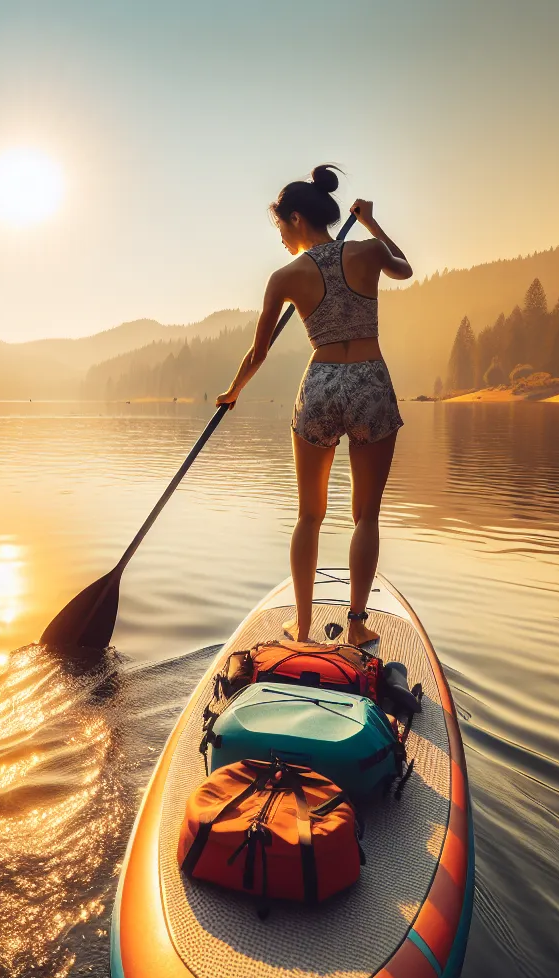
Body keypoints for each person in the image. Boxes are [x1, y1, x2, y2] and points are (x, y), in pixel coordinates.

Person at [216, 165, 413, 645]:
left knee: (310, 515)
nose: (281, 237)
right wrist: (370, 223)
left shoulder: (285, 275)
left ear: (297, 219)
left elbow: (258, 353)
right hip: (369, 381)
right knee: (366, 515)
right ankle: (357, 625)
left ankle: (302, 628)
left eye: (281, 226)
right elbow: (403, 268)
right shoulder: (367, 252)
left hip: (322, 383)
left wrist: (234, 391)